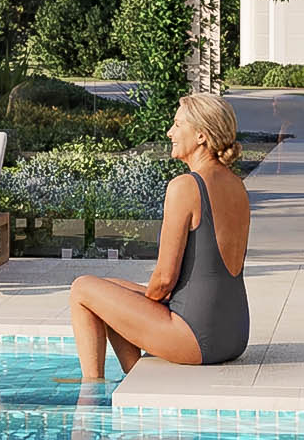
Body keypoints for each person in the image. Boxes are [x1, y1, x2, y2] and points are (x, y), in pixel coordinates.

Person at [69, 91, 252, 381]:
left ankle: (91, 391)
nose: (170, 132)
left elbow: (165, 278)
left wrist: (145, 303)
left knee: (82, 289)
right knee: (111, 289)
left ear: (201, 135)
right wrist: (138, 303)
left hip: (197, 336)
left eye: (177, 125)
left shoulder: (186, 186)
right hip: (234, 334)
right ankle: (134, 375)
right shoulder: (236, 185)